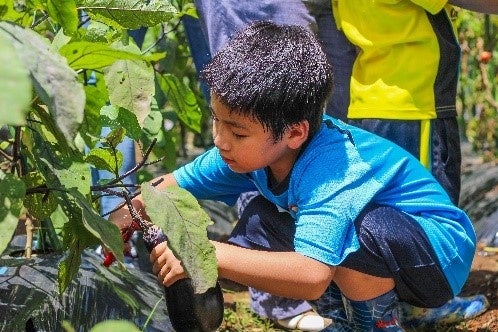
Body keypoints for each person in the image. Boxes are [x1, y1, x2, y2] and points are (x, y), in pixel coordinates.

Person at [110, 21, 477, 331]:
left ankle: (377, 324)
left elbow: (312, 275)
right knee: (259, 221)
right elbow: (169, 185)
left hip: (437, 258)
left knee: (355, 232)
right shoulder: (245, 149)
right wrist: (130, 209)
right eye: (215, 120)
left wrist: (204, 252)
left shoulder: (333, 167)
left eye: (237, 132)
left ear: (295, 133)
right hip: (391, 245)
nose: (220, 141)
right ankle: (345, 320)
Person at [331, 1, 498, 327]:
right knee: (423, 211)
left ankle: (387, 305)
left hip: (371, 96)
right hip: (412, 100)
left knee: (383, 210)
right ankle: (420, 306)